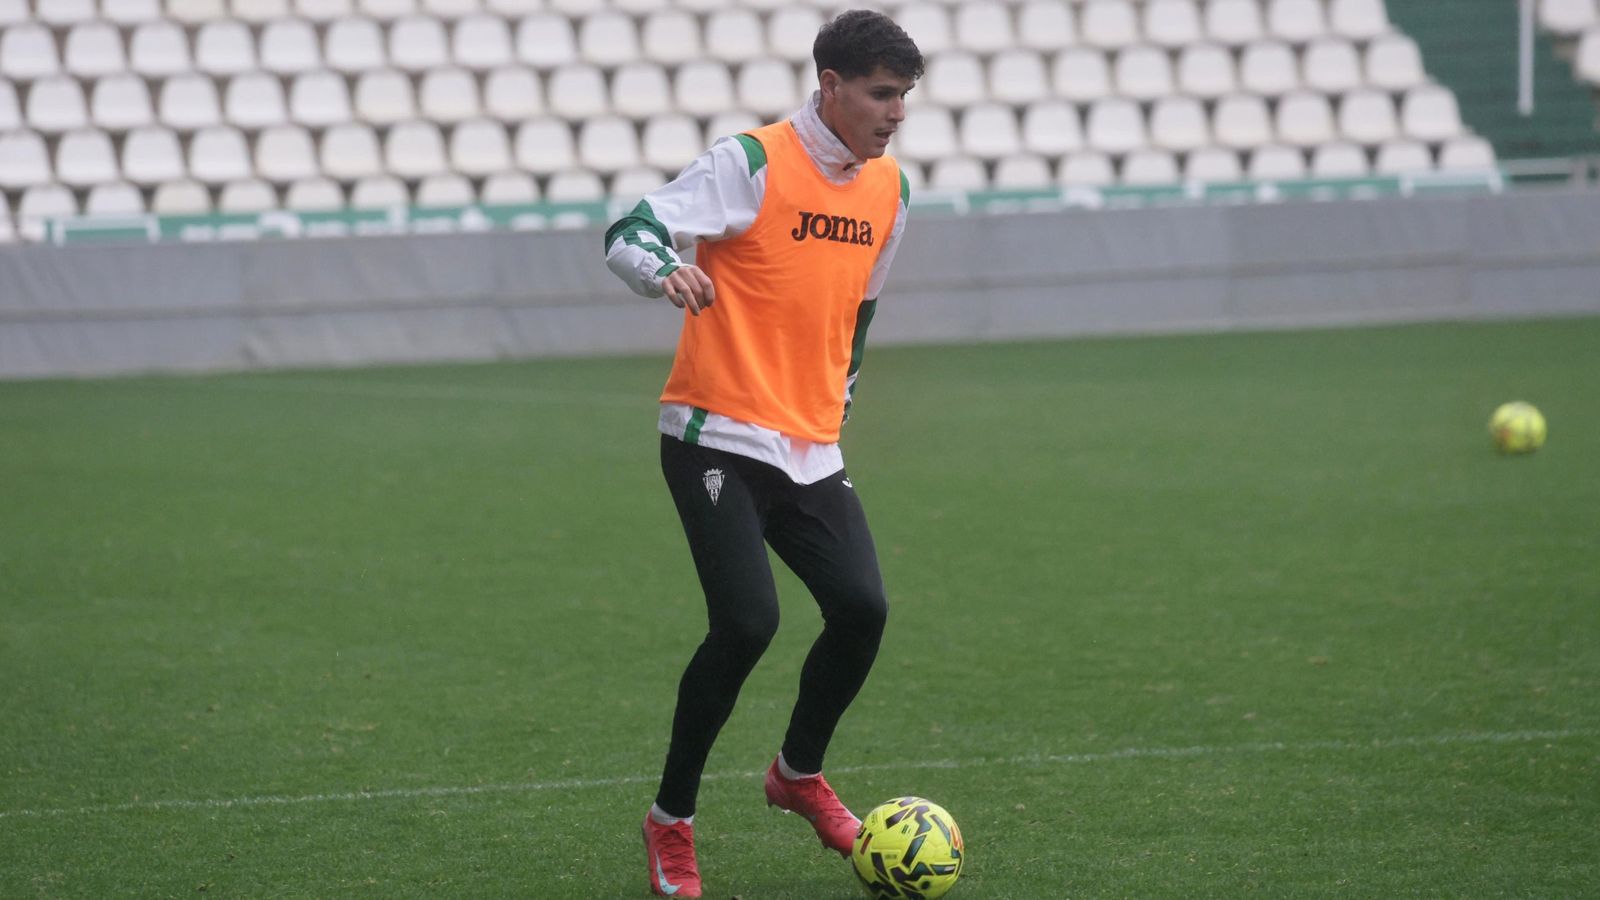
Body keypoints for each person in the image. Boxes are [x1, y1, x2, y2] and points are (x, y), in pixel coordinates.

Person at [602, 10, 924, 897]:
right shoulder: (750, 162)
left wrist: (837, 400)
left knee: (862, 609)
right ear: (831, 86)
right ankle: (671, 822)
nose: (895, 112)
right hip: (714, 432)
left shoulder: (889, 190)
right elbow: (631, 224)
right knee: (748, 623)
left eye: (904, 96)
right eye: (881, 93)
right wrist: (662, 268)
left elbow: (859, 315)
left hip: (808, 445)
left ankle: (796, 774)